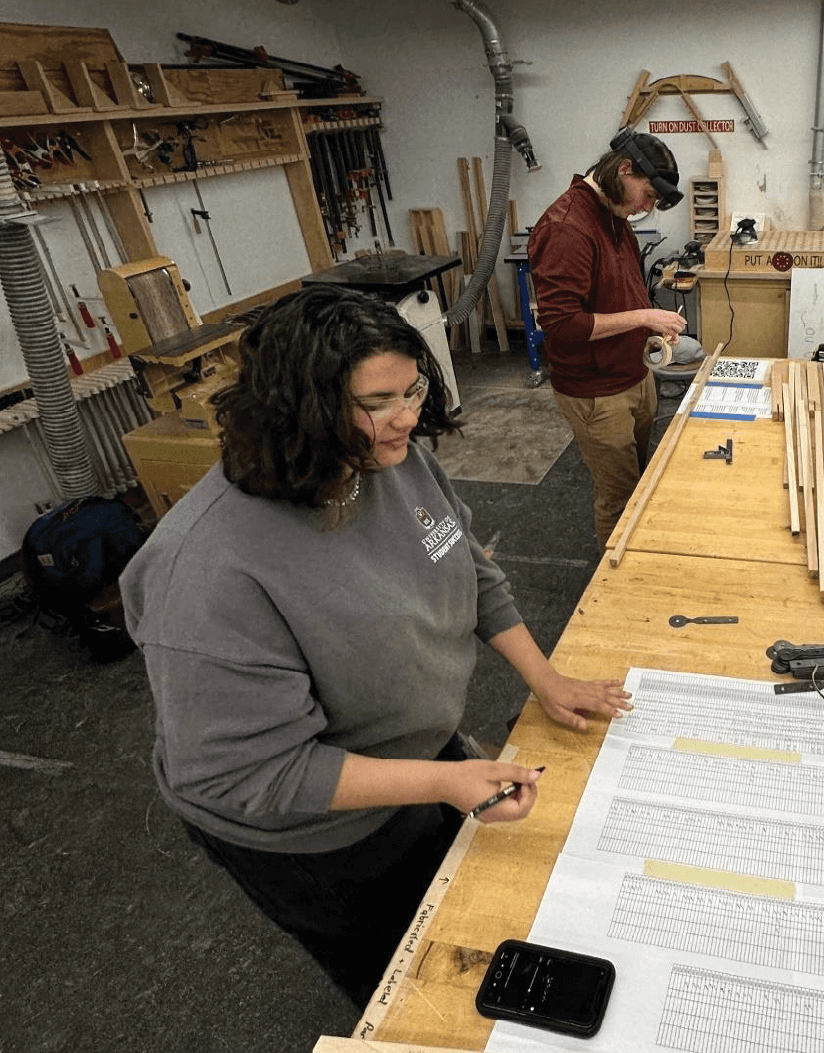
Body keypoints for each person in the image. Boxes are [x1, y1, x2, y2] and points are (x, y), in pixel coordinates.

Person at [119, 285, 632, 1006]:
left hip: (413, 754)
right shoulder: (205, 574)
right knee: (405, 977)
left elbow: (467, 565)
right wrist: (445, 782)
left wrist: (544, 678)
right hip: (313, 838)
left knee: (469, 907)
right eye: (381, 401)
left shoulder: (389, 462)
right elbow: (258, 774)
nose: (410, 416)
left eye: (413, 389)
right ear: (301, 409)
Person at [528, 128, 687, 550]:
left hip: (632, 376)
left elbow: (617, 291)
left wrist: (649, 324)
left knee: (638, 480)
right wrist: (643, 315)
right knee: (618, 497)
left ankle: (635, 559)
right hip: (597, 392)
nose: (647, 207)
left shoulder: (614, 217)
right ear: (624, 169)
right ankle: (614, 594)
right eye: (648, 195)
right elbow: (562, 324)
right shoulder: (568, 228)